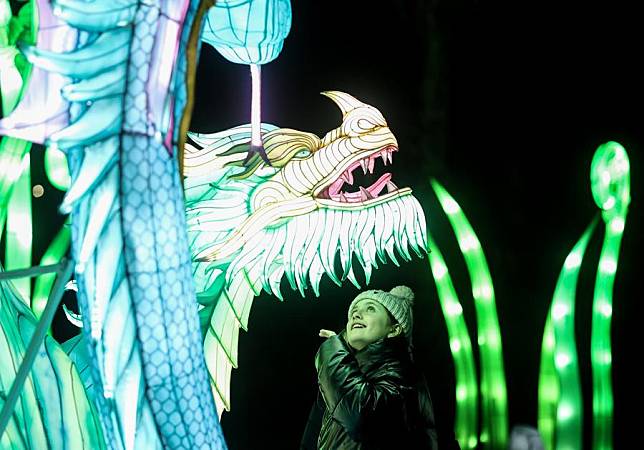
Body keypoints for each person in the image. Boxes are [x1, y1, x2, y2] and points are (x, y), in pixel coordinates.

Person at [300, 285, 440, 449]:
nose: (356, 315)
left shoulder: (404, 374)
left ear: (394, 330)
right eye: (354, 311)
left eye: (370, 309)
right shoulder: (345, 370)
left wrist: (334, 352)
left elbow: (359, 416)